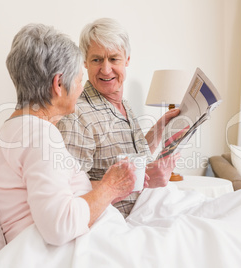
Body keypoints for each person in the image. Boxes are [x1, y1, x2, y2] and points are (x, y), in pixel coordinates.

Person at [0, 23, 137, 246]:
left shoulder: (15, 129)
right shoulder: (40, 136)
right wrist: (108, 188)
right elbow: (59, 226)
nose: (81, 88)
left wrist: (110, 190)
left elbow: (58, 196)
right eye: (79, 79)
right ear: (58, 84)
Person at [57, 18, 180, 217]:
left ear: (127, 59)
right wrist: (143, 177)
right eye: (97, 59)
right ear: (85, 62)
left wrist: (159, 129)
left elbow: (133, 157)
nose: (106, 69)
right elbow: (70, 188)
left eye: (114, 59)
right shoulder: (77, 115)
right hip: (121, 221)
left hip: (151, 208)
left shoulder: (123, 104)